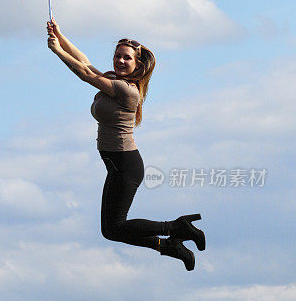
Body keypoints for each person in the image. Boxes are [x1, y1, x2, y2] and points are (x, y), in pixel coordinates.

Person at [46, 19, 205, 271]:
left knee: (116, 226)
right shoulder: (113, 80)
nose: (120, 61)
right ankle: (169, 246)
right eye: (117, 56)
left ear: (137, 64)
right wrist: (60, 36)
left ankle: (175, 228)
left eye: (126, 58)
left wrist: (56, 51)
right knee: (111, 230)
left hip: (126, 166)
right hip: (116, 167)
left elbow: (84, 73)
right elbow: (86, 62)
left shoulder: (127, 90)